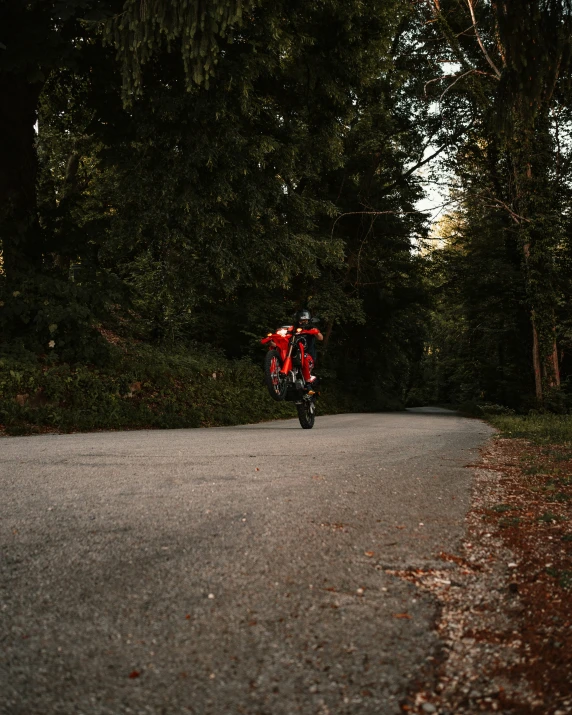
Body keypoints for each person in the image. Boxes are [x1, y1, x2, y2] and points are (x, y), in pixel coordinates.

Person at [296, 310, 323, 383]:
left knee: (306, 361)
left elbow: (321, 338)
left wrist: (316, 332)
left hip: (309, 353)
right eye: (301, 321)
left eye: (305, 320)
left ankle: (308, 384)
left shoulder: (311, 327)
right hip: (295, 353)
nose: (303, 322)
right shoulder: (295, 327)